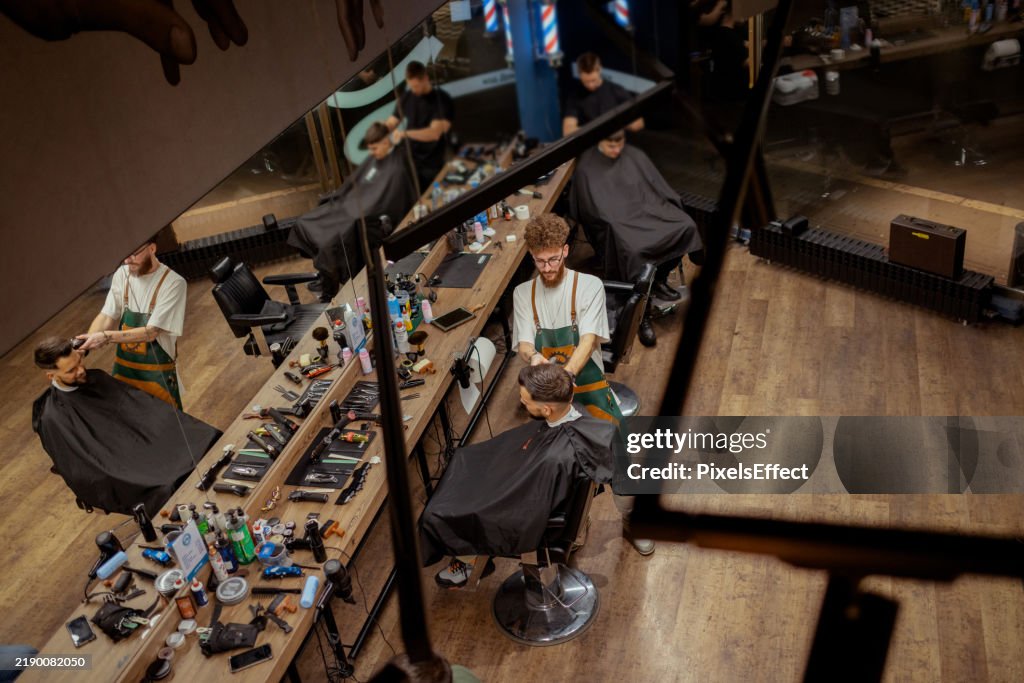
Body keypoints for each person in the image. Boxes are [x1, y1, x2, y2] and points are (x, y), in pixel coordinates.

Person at [512, 214, 654, 555]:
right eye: (539, 260)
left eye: (553, 259)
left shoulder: (586, 285)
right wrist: (534, 359)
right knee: (560, 465)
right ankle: (576, 519)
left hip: (585, 384)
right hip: (550, 395)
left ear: (564, 251)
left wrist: (568, 376)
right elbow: (524, 343)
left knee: (618, 452)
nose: (547, 267)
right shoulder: (523, 294)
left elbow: (589, 339)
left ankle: (633, 520)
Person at [422, 364, 616, 588]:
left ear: (546, 411)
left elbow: (529, 504)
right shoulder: (579, 414)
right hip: (527, 479)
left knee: (439, 514)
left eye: (526, 400)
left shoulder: (555, 458)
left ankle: (470, 557)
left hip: (537, 511)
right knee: (468, 460)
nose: (521, 401)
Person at [31, 337, 221, 516]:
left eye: (79, 362)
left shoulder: (96, 378)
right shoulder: (53, 417)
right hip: (118, 467)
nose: (80, 370)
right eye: (71, 370)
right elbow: (81, 464)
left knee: (207, 437)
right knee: (165, 485)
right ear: (51, 375)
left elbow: (142, 410)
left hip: (143, 443)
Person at [569, 130, 704, 346]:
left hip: (648, 210)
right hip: (618, 223)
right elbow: (593, 209)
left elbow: (656, 186)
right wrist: (614, 221)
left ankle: (659, 278)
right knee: (631, 250)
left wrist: (667, 203)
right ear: (599, 142)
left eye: (619, 145)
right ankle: (642, 313)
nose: (616, 150)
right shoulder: (587, 167)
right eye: (610, 146)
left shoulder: (632, 155)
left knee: (685, 227)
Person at [289, 122, 419, 300]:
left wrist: (360, 209)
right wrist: (340, 198)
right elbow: (357, 183)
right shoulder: (376, 160)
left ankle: (329, 286)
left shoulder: (396, 167)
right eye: (370, 148)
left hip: (364, 213)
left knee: (328, 242)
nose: (372, 152)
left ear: (386, 142)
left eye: (375, 148)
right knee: (304, 223)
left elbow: (386, 199)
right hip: (348, 205)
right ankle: (326, 273)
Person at [76, 231, 186, 409]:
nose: (128, 260)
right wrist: (85, 344)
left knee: (164, 426)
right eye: (124, 254)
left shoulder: (173, 283)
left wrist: (106, 337)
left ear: (152, 248)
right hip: (125, 372)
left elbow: (151, 332)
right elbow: (107, 315)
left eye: (134, 253)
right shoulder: (122, 274)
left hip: (157, 376)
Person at [384, 61, 454, 189]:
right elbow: (392, 122)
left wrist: (405, 134)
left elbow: (434, 134)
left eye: (416, 86)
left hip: (432, 162)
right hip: (410, 159)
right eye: (411, 86)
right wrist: (382, 129)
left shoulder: (441, 100)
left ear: (426, 78)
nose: (414, 90)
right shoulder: (407, 97)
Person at [562, 52, 643, 136]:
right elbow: (567, 131)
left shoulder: (616, 90)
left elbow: (638, 124)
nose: (590, 85)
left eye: (593, 80)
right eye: (586, 82)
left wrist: (615, 123)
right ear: (579, 74)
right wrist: (597, 130)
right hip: (591, 143)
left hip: (616, 142)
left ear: (600, 70)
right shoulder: (575, 97)